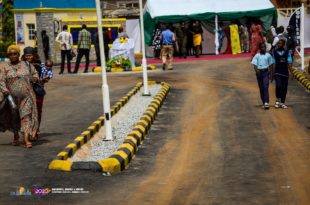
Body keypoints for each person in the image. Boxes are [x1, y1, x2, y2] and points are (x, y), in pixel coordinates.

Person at [0, 45, 39, 148]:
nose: (12, 56)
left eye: (15, 53)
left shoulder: (26, 64)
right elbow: (1, 80)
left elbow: (35, 74)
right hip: (11, 98)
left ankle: (26, 139)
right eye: (10, 54)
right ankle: (16, 136)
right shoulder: (5, 67)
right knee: (14, 117)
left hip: (27, 96)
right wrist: (5, 91)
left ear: (18, 54)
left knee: (26, 116)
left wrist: (34, 79)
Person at [251, 43, 274, 109]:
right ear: (260, 48)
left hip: (266, 72)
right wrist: (256, 70)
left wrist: (272, 75)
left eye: (264, 47)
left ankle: (266, 102)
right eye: (262, 47)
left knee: (265, 86)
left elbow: (271, 64)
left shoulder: (268, 55)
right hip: (259, 73)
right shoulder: (257, 55)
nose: (263, 48)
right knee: (261, 88)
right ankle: (264, 102)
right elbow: (254, 64)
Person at [272, 39, 292, 109]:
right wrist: (273, 74)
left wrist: (291, 72)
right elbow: (273, 63)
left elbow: (289, 62)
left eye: (280, 44)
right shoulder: (274, 52)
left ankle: (282, 102)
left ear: (283, 45)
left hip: (285, 72)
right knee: (278, 85)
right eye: (278, 44)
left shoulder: (287, 52)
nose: (279, 45)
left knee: (284, 88)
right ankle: (278, 99)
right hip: (277, 72)